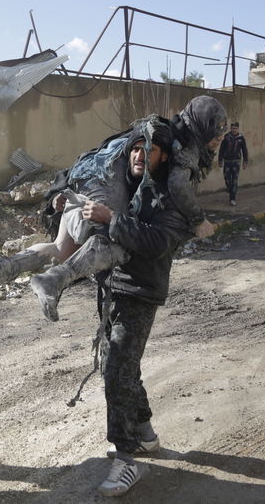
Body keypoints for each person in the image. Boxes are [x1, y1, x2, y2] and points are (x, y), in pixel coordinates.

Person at [0, 96, 227, 322]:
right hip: (103, 178)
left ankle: (3, 268)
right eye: (217, 133)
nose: (218, 140)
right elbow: (177, 185)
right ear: (203, 125)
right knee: (113, 241)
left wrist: (60, 198)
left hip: (84, 175)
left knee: (62, 248)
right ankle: (53, 280)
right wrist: (198, 219)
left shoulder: (166, 129)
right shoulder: (178, 142)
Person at [74, 125, 192, 497]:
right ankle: (143, 434)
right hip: (112, 288)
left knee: (116, 371)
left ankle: (125, 460)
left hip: (141, 291)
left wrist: (112, 219)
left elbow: (157, 242)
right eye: (136, 148)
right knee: (125, 366)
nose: (141, 155)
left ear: (164, 156)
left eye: (151, 149)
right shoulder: (124, 187)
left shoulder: (170, 195)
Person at [217, 121, 249, 206]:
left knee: (234, 180)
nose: (234, 130)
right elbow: (221, 149)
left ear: (238, 129)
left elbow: (244, 150)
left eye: (235, 128)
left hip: (236, 162)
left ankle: (232, 198)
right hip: (227, 162)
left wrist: (245, 161)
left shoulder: (241, 138)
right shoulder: (227, 137)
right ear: (230, 128)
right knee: (227, 179)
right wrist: (220, 160)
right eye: (232, 128)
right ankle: (231, 191)